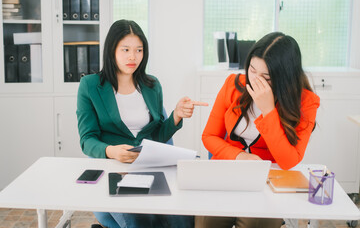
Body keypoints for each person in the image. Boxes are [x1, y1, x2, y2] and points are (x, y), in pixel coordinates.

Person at [77, 19, 207, 228]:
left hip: (150, 169)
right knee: (139, 221)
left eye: (139, 50)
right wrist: (111, 151)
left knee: (183, 219)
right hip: (114, 169)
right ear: (112, 50)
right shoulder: (90, 86)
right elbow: (87, 139)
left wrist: (176, 116)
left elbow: (157, 137)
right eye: (126, 49)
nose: (133, 56)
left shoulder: (151, 85)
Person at [196, 32, 320, 228]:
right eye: (252, 70)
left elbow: (289, 161)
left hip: (267, 182)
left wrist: (269, 110)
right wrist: (239, 156)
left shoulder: (306, 102)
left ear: (285, 77)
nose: (255, 80)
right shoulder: (233, 84)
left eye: (266, 77)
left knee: (256, 221)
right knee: (206, 221)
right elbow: (209, 136)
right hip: (226, 173)